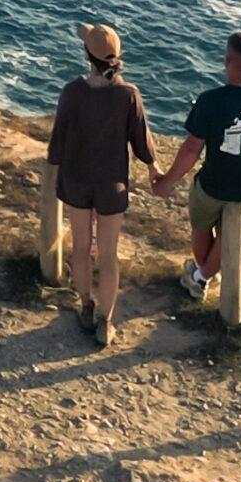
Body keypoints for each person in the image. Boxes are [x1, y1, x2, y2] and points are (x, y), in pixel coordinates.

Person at [154, 30, 241, 300]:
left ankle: (201, 276)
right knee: (231, 231)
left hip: (213, 187)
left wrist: (167, 182)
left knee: (202, 223)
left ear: (226, 61)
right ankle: (202, 275)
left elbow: (192, 149)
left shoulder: (211, 100)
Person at [45, 21, 154, 346]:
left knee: (80, 247)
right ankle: (106, 322)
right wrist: (155, 169)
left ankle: (86, 306)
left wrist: (49, 180)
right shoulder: (128, 95)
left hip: (76, 181)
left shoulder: (72, 92)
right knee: (108, 254)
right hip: (112, 185)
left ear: (86, 55)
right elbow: (142, 146)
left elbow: (56, 145)